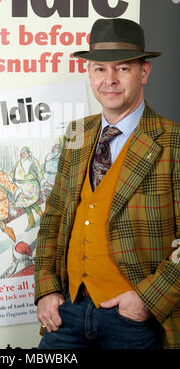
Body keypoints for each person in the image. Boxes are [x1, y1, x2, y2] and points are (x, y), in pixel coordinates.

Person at [34, 18, 180, 350]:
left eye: (123, 69)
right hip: (68, 311)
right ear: (89, 73)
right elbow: (53, 217)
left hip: (135, 319)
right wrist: (46, 289)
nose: (109, 80)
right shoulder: (77, 133)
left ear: (143, 73)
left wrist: (146, 300)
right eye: (100, 69)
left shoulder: (174, 141)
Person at [11, 146, 44, 231]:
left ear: (28, 153)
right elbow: (13, 172)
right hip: (21, 187)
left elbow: (39, 170)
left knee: (31, 202)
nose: (23, 155)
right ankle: (31, 222)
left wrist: (42, 180)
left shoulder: (33, 160)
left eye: (25, 153)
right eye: (22, 153)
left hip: (31, 186)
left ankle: (43, 217)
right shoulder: (18, 162)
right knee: (25, 204)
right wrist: (11, 180)